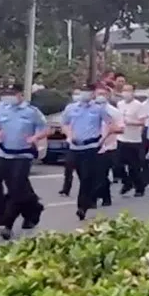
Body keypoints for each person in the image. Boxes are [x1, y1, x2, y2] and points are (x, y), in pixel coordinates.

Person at [0, 83, 47, 240]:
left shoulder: (31, 111)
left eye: (12, 93)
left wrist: (34, 138)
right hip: (1, 151)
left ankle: (8, 224)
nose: (9, 96)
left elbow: (45, 128)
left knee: (16, 188)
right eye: (6, 93)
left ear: (21, 95)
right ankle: (31, 207)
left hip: (22, 154)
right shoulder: (1, 108)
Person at [60, 84, 112, 221]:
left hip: (91, 146)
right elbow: (64, 124)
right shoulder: (71, 108)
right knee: (80, 175)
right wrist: (68, 135)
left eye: (88, 92)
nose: (85, 94)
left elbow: (109, 123)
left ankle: (81, 207)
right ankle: (87, 199)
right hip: (75, 147)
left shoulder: (98, 109)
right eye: (83, 91)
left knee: (87, 177)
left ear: (93, 94)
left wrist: (103, 138)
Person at [116, 85, 146, 197]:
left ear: (133, 92)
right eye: (124, 91)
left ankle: (139, 188)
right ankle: (127, 182)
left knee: (134, 167)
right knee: (117, 165)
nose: (126, 93)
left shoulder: (138, 105)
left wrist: (130, 122)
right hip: (121, 138)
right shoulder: (120, 104)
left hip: (134, 140)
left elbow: (142, 122)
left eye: (128, 91)